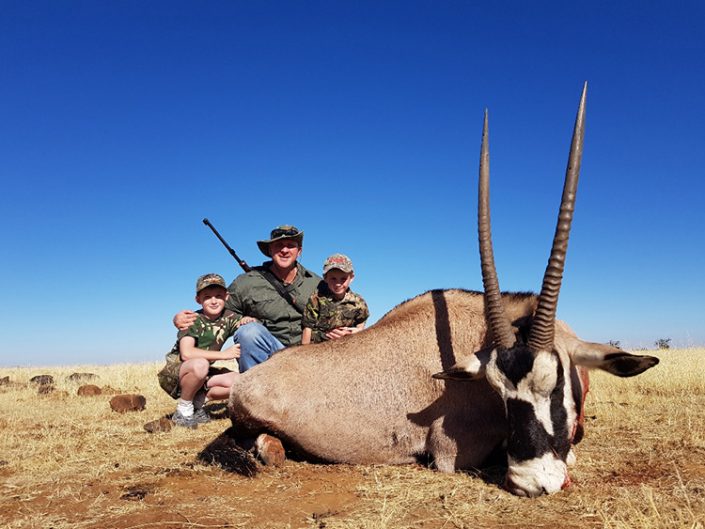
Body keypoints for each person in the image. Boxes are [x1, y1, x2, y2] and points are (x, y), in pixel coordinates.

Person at [174, 225, 321, 372]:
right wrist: (185, 319)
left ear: (299, 251)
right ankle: (254, 385)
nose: (284, 250)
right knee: (248, 331)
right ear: (270, 250)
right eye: (279, 245)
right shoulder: (246, 282)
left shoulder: (317, 283)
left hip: (308, 354)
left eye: (290, 245)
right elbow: (216, 309)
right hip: (270, 355)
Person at [158, 273, 246, 427]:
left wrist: (249, 320)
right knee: (200, 364)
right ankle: (183, 409)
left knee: (242, 383)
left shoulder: (229, 317)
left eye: (218, 296)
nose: (214, 301)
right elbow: (187, 353)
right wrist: (224, 355)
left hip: (204, 373)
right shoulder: (191, 319)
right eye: (207, 297)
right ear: (198, 300)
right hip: (176, 374)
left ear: (226, 297)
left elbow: (251, 323)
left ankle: (199, 402)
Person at [301, 253, 369, 344]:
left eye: (343, 279)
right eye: (333, 278)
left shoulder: (359, 302)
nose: (338, 284)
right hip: (320, 347)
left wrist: (352, 333)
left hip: (347, 346)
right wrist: (305, 350)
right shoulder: (316, 300)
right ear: (325, 278)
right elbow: (307, 328)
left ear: (351, 278)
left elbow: (361, 327)